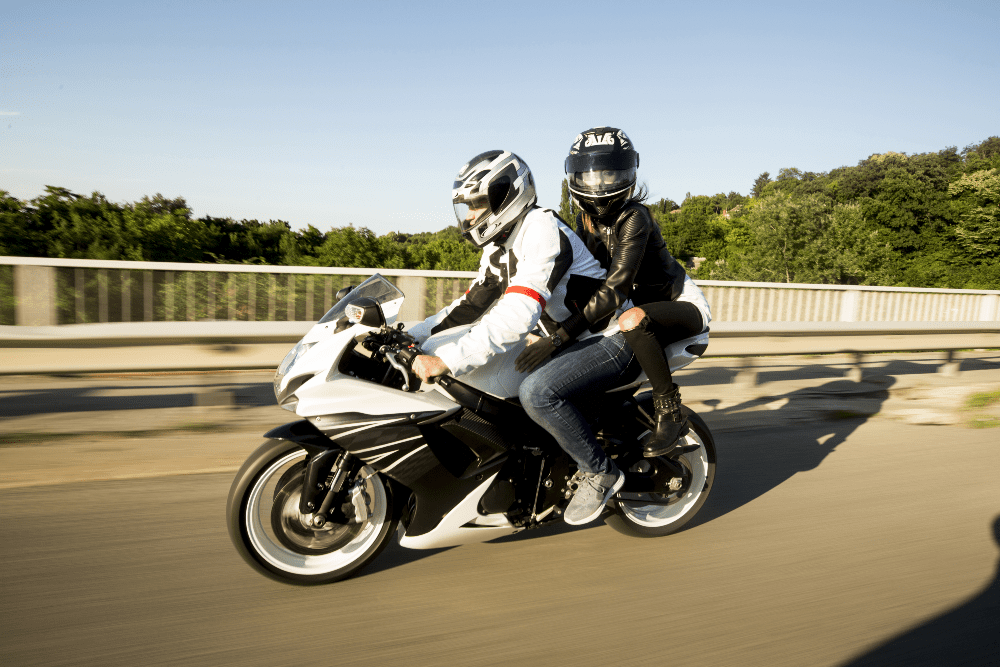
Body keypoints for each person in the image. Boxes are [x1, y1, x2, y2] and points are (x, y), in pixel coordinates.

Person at [408, 151, 626, 512]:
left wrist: (447, 360)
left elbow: (516, 314)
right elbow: (470, 306)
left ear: (507, 195)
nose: (472, 215)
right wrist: (413, 335)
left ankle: (599, 471)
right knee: (459, 368)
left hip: (600, 337)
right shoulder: (499, 244)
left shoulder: (542, 230)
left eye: (478, 204)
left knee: (533, 392)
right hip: (559, 338)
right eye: (468, 206)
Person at [515, 127, 711, 517]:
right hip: (630, 312)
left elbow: (616, 289)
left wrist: (559, 339)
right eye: (590, 175)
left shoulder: (635, 217)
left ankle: (668, 410)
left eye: (609, 175)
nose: (599, 185)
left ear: (628, 175)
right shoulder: (583, 221)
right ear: (574, 176)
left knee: (633, 319)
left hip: (676, 308)